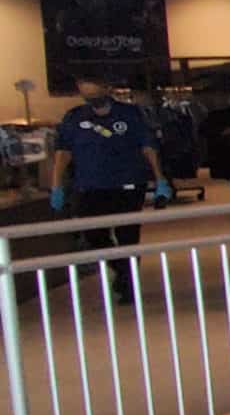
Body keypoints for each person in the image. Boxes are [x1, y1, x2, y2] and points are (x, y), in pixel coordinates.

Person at [50, 80, 172, 302]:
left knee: (127, 236)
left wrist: (160, 178)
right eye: (84, 88)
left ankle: (128, 285)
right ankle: (123, 270)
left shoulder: (130, 114)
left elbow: (148, 147)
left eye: (93, 87)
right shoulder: (74, 117)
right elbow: (63, 152)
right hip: (89, 186)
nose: (90, 93)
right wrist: (57, 185)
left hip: (127, 184)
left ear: (106, 88)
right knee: (94, 235)